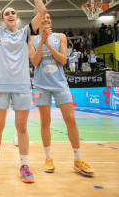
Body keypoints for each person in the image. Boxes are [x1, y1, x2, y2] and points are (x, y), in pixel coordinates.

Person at [0, 0, 47, 183]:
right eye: (7, 14)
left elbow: (42, 11)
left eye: (13, 13)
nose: (10, 15)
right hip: (1, 85)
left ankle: (25, 165)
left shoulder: (26, 32)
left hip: (22, 86)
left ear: (17, 17)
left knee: (22, 128)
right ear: (3, 19)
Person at [29, 13, 94, 176]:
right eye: (43, 18)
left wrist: (49, 45)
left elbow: (63, 60)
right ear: (37, 22)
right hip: (41, 85)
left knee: (70, 119)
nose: (46, 20)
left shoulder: (61, 37)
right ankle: (48, 158)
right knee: (45, 121)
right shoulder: (32, 40)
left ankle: (78, 160)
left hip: (59, 84)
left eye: (48, 18)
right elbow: (35, 62)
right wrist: (42, 40)